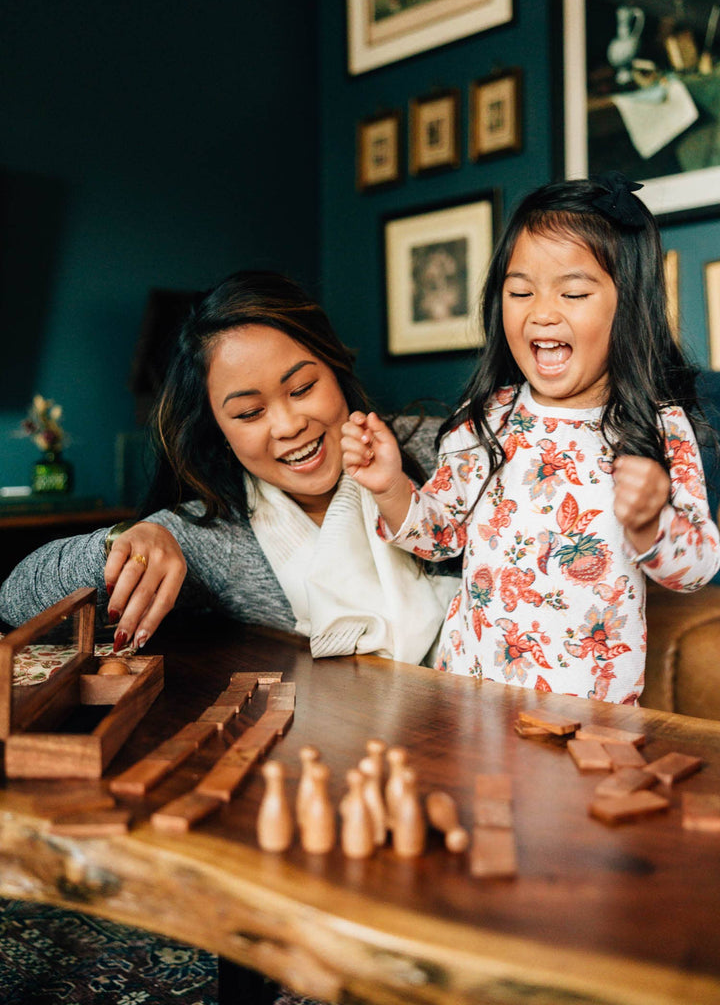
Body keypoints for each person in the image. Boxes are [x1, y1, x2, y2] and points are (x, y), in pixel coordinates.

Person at [341, 174, 720, 703]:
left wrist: (652, 521)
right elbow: (440, 537)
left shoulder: (659, 427)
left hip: (590, 709)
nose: (542, 311)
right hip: (469, 695)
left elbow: (697, 571)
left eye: (573, 292)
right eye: (521, 291)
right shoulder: (488, 417)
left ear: (629, 305)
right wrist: (389, 486)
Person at [0, 271, 457, 664]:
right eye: (248, 413)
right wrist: (124, 541)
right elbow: (17, 601)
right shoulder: (214, 533)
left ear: (335, 369)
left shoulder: (446, 450)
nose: (288, 424)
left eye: (301, 388)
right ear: (219, 428)